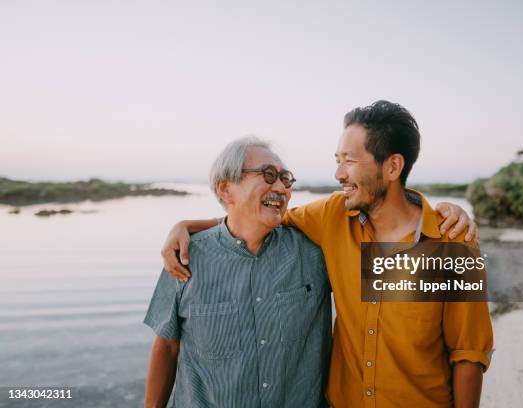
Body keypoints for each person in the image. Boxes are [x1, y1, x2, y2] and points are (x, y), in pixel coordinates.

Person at [162, 101, 493, 407]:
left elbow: (467, 355)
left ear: (392, 167)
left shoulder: (452, 244)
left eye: (349, 161)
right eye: (338, 161)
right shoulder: (333, 216)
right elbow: (259, 218)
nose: (338, 175)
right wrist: (190, 225)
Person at [144, 138, 332, 408]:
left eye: (285, 178)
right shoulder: (185, 256)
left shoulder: (314, 254)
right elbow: (167, 346)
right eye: (268, 175)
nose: (280, 187)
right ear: (225, 190)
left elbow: (385, 281)